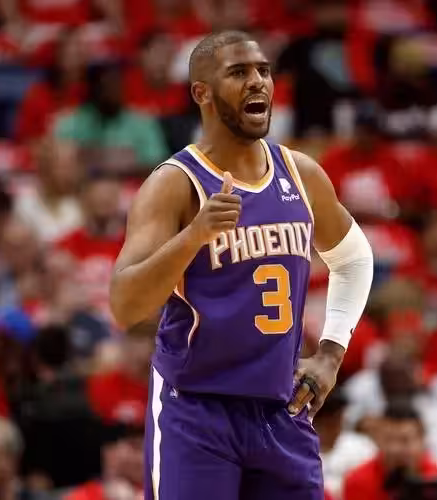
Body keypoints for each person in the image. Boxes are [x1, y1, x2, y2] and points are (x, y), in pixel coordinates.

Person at [110, 30, 374, 500]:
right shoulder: (175, 184)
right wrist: (194, 236)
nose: (258, 82)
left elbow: (354, 259)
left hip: (282, 408)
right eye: (238, 72)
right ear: (202, 93)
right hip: (197, 411)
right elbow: (125, 305)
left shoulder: (301, 174)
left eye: (263, 71)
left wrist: (332, 354)